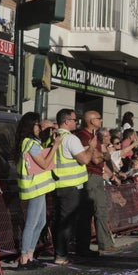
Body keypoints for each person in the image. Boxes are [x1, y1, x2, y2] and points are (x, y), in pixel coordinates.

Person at [50, 108, 93, 264]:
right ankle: (61, 255)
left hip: (59, 185)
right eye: (75, 120)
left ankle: (62, 252)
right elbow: (85, 160)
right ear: (67, 121)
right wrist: (92, 147)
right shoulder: (71, 138)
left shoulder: (54, 136)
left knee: (61, 221)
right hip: (71, 187)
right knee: (66, 223)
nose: (77, 122)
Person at [14, 112, 56, 269]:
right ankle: (24, 258)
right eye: (38, 124)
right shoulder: (30, 143)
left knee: (41, 222)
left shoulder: (33, 142)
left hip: (40, 187)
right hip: (34, 187)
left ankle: (30, 255)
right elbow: (44, 164)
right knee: (32, 223)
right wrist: (56, 145)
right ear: (30, 126)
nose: (40, 127)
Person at [73, 110, 118, 253]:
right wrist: (103, 155)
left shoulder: (95, 137)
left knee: (101, 211)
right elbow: (95, 158)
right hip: (90, 175)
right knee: (89, 211)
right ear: (92, 121)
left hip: (98, 175)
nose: (101, 121)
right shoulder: (83, 136)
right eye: (99, 119)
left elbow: (102, 156)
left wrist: (102, 155)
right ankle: (83, 247)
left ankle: (104, 244)